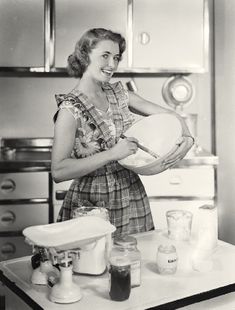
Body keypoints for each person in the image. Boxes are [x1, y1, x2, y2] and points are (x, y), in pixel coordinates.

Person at [51, 28, 194, 236]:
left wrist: (188, 137)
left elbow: (170, 115)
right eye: (105, 56)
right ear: (85, 56)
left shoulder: (120, 94)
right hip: (91, 204)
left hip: (131, 195)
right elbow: (59, 171)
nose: (112, 65)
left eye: (116, 57)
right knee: (94, 264)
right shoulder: (69, 109)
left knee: (133, 261)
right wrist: (112, 154)